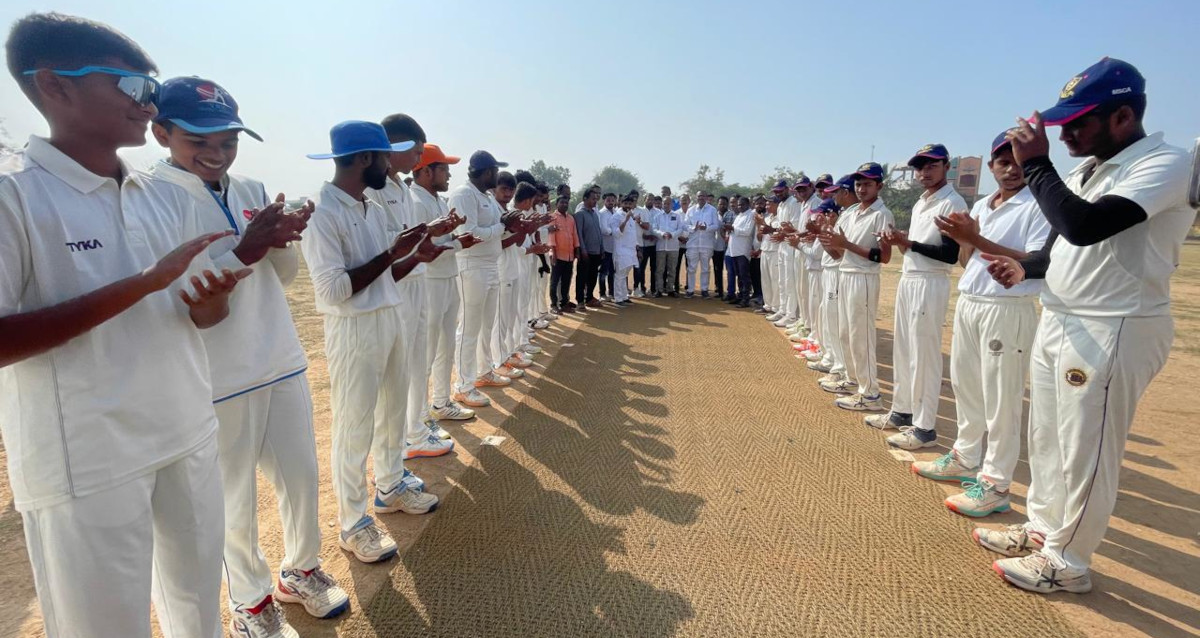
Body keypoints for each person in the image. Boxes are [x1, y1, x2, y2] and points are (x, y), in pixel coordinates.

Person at [2, 13, 251, 637]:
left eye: (153, 89)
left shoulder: (165, 195)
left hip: (186, 429)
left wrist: (212, 298)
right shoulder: (14, 195)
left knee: (199, 608)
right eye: (135, 88)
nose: (150, 105)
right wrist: (141, 284)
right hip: (88, 461)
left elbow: (201, 316)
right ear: (54, 85)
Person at [976, 58, 1192, 594]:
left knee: (1085, 449)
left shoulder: (1165, 162)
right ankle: (1043, 530)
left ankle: (1067, 561)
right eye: (1062, 123)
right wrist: (1025, 268)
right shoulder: (1084, 170)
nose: (1066, 134)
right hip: (1061, 316)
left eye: (1079, 123)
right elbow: (1058, 247)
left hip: (1114, 324)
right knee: (1048, 438)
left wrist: (1036, 165)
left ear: (1123, 116)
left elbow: (1086, 225)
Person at [148, 76, 349, 635]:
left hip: (278, 356)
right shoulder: (151, 197)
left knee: (301, 478)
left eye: (228, 141)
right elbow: (181, 295)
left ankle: (301, 570)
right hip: (216, 374)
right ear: (162, 133)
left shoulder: (251, 186)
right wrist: (247, 247)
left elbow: (279, 278)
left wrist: (282, 242)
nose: (216, 154)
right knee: (233, 500)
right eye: (199, 141)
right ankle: (250, 601)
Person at [301, 121, 443, 565]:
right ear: (364, 159)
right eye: (383, 157)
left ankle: (390, 485)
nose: (391, 164)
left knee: (393, 410)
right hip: (353, 329)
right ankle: (353, 523)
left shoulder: (371, 206)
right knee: (354, 425)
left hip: (387, 315)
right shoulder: (322, 212)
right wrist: (391, 254)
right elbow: (333, 290)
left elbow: (385, 273)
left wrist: (414, 257)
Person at [910, 130, 1050, 518]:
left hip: (1007, 307)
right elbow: (966, 260)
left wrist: (976, 238)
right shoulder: (983, 205)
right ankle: (965, 457)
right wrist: (965, 240)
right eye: (1003, 162)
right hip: (971, 302)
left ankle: (996, 484)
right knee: (966, 386)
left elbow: (1036, 260)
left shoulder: (1037, 204)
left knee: (1001, 399)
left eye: (1019, 162)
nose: (1012, 169)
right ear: (991, 167)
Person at [367, 114, 456, 461]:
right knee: (400, 368)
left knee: (416, 360)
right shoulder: (375, 189)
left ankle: (416, 427)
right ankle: (405, 437)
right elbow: (384, 244)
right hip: (398, 283)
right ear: (395, 147)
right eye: (415, 151)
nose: (418, 158)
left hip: (416, 277)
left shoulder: (401, 188)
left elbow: (410, 236)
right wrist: (426, 237)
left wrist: (432, 234)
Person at [868, 144, 969, 450]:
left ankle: (924, 428)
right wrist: (898, 241)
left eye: (932, 166)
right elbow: (913, 246)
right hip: (910, 278)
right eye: (920, 167)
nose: (924, 172)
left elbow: (949, 254)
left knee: (923, 355)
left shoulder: (953, 202)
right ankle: (902, 410)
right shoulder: (921, 202)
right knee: (904, 349)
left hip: (930, 281)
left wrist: (908, 243)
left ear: (946, 167)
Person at [410, 144, 485, 413]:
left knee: (446, 347)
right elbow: (423, 250)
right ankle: (419, 417)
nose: (449, 175)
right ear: (426, 171)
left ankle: (441, 402)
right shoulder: (416, 203)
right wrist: (457, 243)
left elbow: (441, 240)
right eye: (444, 169)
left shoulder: (439, 201)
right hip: (430, 281)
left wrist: (455, 237)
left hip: (447, 276)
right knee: (426, 352)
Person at [818, 162, 894, 412]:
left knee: (861, 337)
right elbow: (839, 251)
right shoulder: (850, 213)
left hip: (864, 278)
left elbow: (883, 257)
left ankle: (870, 394)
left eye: (867, 184)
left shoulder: (881, 214)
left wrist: (846, 245)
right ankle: (852, 380)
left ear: (879, 186)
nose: (862, 189)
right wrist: (825, 236)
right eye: (859, 184)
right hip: (846, 274)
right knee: (845, 334)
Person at [449, 151, 511, 400]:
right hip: (472, 265)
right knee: (469, 327)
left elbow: (498, 228)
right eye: (495, 171)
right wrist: (502, 227)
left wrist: (509, 225)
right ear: (487, 172)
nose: (497, 176)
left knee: (486, 325)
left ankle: (484, 371)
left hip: (490, 265)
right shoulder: (464, 194)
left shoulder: (486, 196)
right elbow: (469, 233)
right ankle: (463, 386)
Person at [809, 177, 855, 388]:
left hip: (838, 272)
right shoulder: (843, 218)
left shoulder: (844, 220)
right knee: (828, 318)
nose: (823, 217)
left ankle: (840, 367)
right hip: (831, 271)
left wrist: (822, 232)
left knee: (836, 322)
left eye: (826, 214)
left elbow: (837, 254)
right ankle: (832, 360)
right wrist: (821, 232)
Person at [683, 191, 720, 297]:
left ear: (706, 197)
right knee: (691, 268)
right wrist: (693, 228)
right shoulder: (691, 210)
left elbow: (716, 225)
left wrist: (706, 228)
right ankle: (690, 290)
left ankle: (704, 289)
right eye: (699, 196)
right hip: (693, 244)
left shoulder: (712, 210)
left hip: (706, 244)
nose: (701, 198)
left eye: (703, 196)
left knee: (705, 268)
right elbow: (685, 225)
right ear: (696, 197)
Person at [547, 193, 579, 312]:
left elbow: (574, 234)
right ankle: (554, 304)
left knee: (566, 280)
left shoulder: (571, 218)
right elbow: (551, 237)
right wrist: (553, 253)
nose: (565, 204)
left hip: (569, 255)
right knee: (554, 281)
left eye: (566, 203)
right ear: (557, 204)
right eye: (562, 202)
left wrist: (577, 249)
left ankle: (564, 303)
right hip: (557, 255)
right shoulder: (552, 217)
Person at [574, 187, 604, 309]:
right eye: (592, 199)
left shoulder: (595, 214)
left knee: (592, 276)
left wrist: (602, 248)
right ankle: (580, 300)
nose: (595, 201)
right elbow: (579, 234)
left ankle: (589, 297)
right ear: (585, 199)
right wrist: (583, 250)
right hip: (586, 252)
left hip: (596, 251)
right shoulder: (580, 214)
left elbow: (599, 232)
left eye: (596, 199)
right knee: (582, 277)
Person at [610, 193, 642, 306]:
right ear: (621, 203)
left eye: (630, 203)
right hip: (621, 251)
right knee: (619, 275)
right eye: (625, 203)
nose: (628, 205)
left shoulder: (631, 216)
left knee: (624, 275)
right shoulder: (616, 216)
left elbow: (633, 235)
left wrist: (637, 249)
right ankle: (618, 299)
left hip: (631, 251)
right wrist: (626, 219)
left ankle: (624, 296)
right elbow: (616, 233)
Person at [727, 195, 758, 307]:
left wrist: (732, 228)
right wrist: (729, 229)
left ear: (748, 204)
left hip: (743, 250)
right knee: (739, 275)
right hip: (734, 250)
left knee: (744, 276)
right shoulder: (739, 215)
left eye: (742, 204)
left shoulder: (751, 214)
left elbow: (747, 231)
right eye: (738, 205)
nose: (740, 207)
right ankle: (740, 296)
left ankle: (745, 298)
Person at [653, 194, 685, 296]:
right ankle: (659, 290)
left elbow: (680, 229)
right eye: (664, 203)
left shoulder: (677, 216)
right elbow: (654, 229)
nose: (666, 205)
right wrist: (662, 234)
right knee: (660, 269)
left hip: (673, 247)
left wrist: (672, 234)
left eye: (668, 203)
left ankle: (670, 289)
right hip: (661, 246)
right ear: (662, 204)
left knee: (672, 269)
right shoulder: (657, 216)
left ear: (672, 204)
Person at [635, 193, 660, 297]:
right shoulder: (640, 211)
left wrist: (655, 235)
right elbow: (637, 226)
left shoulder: (658, 212)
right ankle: (642, 288)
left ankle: (653, 289)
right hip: (643, 244)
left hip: (654, 244)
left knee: (654, 268)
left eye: (652, 199)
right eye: (648, 199)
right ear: (644, 200)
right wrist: (645, 235)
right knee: (641, 268)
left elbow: (659, 226)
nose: (650, 201)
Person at [596, 192, 617, 300]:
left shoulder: (616, 212)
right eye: (608, 200)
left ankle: (612, 292)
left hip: (615, 247)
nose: (611, 202)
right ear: (604, 201)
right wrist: (615, 232)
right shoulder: (602, 213)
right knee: (603, 271)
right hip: (605, 247)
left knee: (612, 272)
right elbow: (604, 229)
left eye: (613, 200)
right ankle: (602, 294)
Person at [712, 194, 729, 298]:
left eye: (724, 204)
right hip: (716, 246)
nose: (722, 206)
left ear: (727, 205)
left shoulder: (731, 215)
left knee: (729, 270)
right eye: (720, 204)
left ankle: (730, 291)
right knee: (717, 269)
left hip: (728, 247)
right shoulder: (714, 215)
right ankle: (719, 289)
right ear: (717, 204)